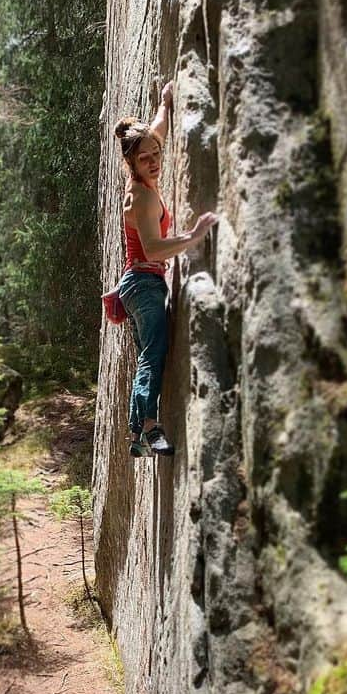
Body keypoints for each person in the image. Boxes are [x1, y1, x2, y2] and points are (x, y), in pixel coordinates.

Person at [113, 81, 218, 458]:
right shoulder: (139, 196)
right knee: (152, 355)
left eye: (157, 154)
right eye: (146, 158)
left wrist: (165, 103)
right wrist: (193, 236)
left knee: (148, 356)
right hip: (143, 283)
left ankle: (138, 435)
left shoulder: (147, 157)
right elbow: (155, 247)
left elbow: (157, 129)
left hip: (140, 285)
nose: (155, 161)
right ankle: (150, 428)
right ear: (131, 162)